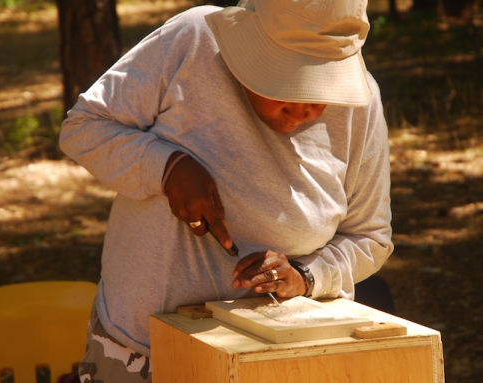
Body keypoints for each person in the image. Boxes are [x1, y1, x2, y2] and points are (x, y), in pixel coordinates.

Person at [59, 0, 394, 381]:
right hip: (138, 352)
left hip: (278, 361)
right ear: (251, 54)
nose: (305, 111)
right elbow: (84, 129)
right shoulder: (194, 39)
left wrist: (306, 275)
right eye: (289, 84)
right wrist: (167, 168)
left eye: (322, 92)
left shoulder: (361, 102)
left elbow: (370, 237)